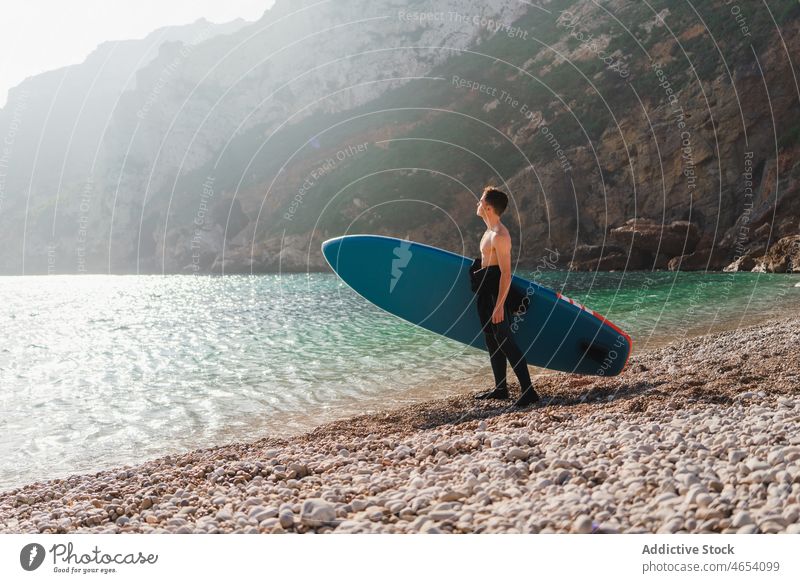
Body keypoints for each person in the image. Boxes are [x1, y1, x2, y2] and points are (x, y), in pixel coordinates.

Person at [470, 186, 540, 408]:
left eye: (480, 201)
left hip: (495, 293)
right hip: (485, 291)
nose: (478, 203)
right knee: (492, 340)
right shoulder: (488, 232)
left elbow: (506, 274)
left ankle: (529, 391)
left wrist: (500, 305)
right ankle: (501, 388)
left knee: (505, 340)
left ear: (488, 207)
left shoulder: (500, 236)